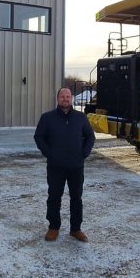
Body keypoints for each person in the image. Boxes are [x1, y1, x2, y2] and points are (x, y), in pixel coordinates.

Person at [34, 88, 96, 242]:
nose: (65, 99)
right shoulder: (47, 118)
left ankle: (76, 229)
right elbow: (39, 137)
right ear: (57, 99)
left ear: (72, 99)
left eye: (68, 96)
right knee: (54, 197)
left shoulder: (80, 117)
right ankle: (53, 228)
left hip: (76, 166)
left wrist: (84, 152)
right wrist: (50, 153)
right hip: (56, 166)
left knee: (76, 197)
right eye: (63, 96)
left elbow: (90, 136)